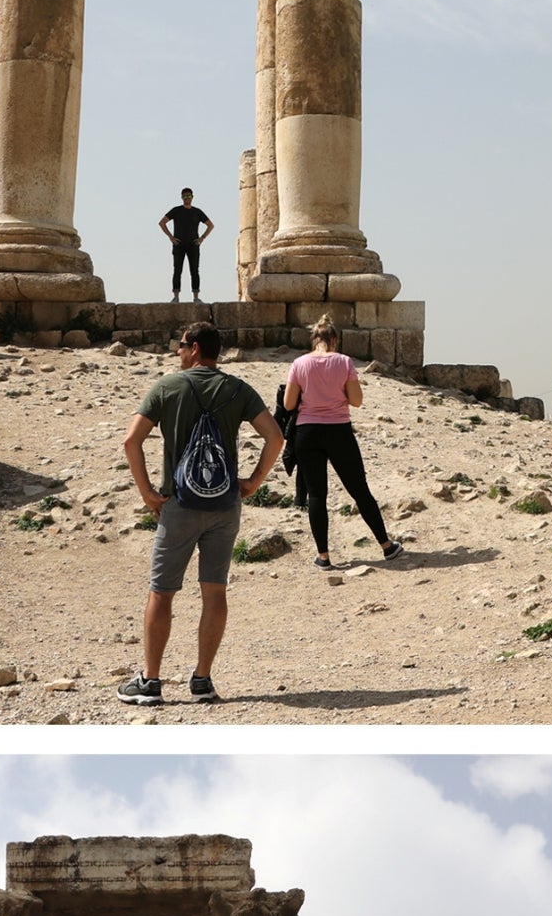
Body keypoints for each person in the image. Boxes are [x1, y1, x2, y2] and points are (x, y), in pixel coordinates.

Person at [118, 318, 283, 705]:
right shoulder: (238, 389)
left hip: (180, 505)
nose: (177, 352)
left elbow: (131, 441)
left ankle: (151, 682)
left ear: (193, 348)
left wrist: (146, 492)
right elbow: (275, 437)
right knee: (214, 591)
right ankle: (203, 680)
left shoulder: (167, 387)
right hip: (225, 505)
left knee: (162, 593)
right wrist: (253, 481)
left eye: (180, 345)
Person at [282, 315, 405, 569]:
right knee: (360, 490)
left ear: (315, 339)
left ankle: (324, 557)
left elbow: (289, 404)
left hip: (307, 432)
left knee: (317, 495)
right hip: (338, 430)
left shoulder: (299, 363)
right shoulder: (344, 362)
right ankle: (386, 546)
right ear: (334, 339)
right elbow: (357, 400)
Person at [159, 188, 213, 302]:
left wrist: (202, 238)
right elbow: (162, 222)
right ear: (181, 198)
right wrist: (171, 237)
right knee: (177, 270)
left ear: (192, 197)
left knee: (194, 270)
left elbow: (210, 225)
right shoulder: (176, 210)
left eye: (189, 196)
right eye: (184, 196)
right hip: (179, 244)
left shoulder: (197, 212)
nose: (187, 198)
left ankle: (196, 297)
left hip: (193, 245)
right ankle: (176, 296)